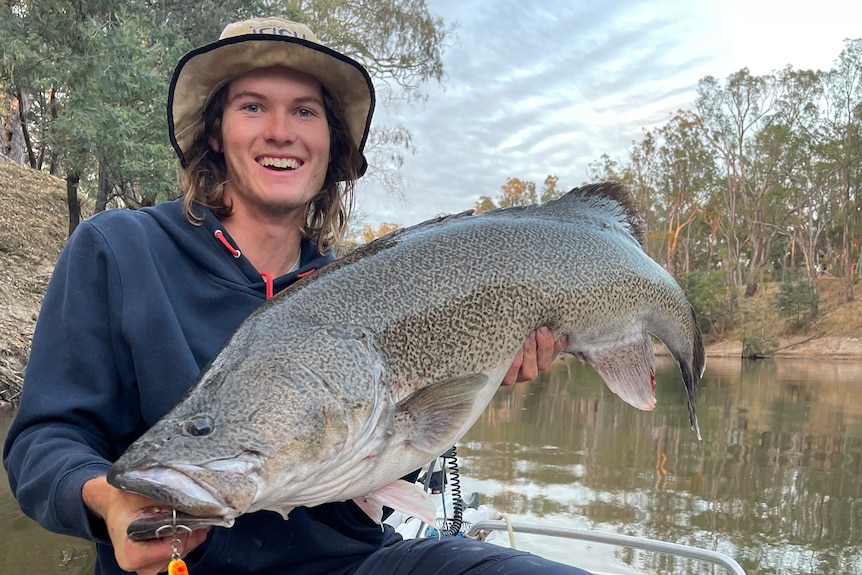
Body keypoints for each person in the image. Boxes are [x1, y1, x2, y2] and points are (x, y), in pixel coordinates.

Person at [3, 16, 590, 575]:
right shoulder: (119, 249)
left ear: (332, 145)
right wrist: (105, 499)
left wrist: (484, 368)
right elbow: (44, 441)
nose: (280, 131)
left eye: (304, 111)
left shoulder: (365, 285)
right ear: (215, 131)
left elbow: (395, 449)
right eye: (252, 106)